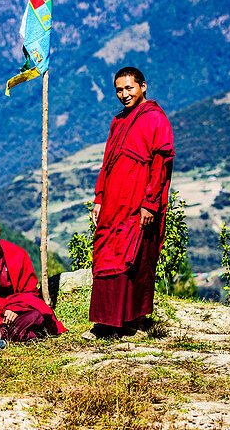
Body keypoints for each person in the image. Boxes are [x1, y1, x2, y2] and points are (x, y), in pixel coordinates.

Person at [84, 66, 174, 340]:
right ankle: (105, 323)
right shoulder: (119, 121)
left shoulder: (156, 120)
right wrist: (99, 198)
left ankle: (130, 321)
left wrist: (150, 204)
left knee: (134, 257)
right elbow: (107, 163)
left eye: (129, 88)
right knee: (106, 255)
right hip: (113, 202)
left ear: (143, 86)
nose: (124, 94)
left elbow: (161, 165)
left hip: (138, 204)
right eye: (119, 90)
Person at [0, 211, 65, 341]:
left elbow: (29, 290)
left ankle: (1, 335)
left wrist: (14, 308)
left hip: (16, 307)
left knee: (37, 314)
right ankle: (18, 334)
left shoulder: (16, 254)